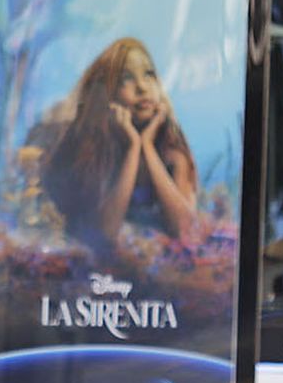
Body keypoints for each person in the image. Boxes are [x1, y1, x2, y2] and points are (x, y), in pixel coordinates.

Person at [35, 37, 200, 247]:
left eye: (149, 74)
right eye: (126, 78)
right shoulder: (90, 146)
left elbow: (186, 230)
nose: (142, 87)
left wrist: (147, 146)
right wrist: (133, 148)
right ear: (107, 94)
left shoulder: (171, 146)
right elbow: (103, 234)